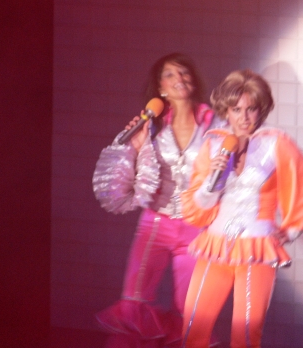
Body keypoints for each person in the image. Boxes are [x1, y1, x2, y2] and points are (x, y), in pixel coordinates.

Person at [179, 69, 303, 348]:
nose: (244, 117)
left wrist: (292, 230)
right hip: (216, 246)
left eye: (251, 109)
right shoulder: (213, 144)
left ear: (260, 109)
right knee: (193, 328)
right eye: (236, 109)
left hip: (257, 248)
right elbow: (199, 207)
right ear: (226, 109)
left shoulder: (276, 143)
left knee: (246, 336)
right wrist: (212, 181)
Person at [92, 53, 223, 348]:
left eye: (184, 72)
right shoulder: (151, 125)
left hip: (195, 227)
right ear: (161, 88)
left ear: (193, 80)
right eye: (170, 74)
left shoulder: (213, 122)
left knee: (189, 308)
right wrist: (134, 147)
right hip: (155, 223)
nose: (179, 78)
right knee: (134, 300)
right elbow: (125, 174)